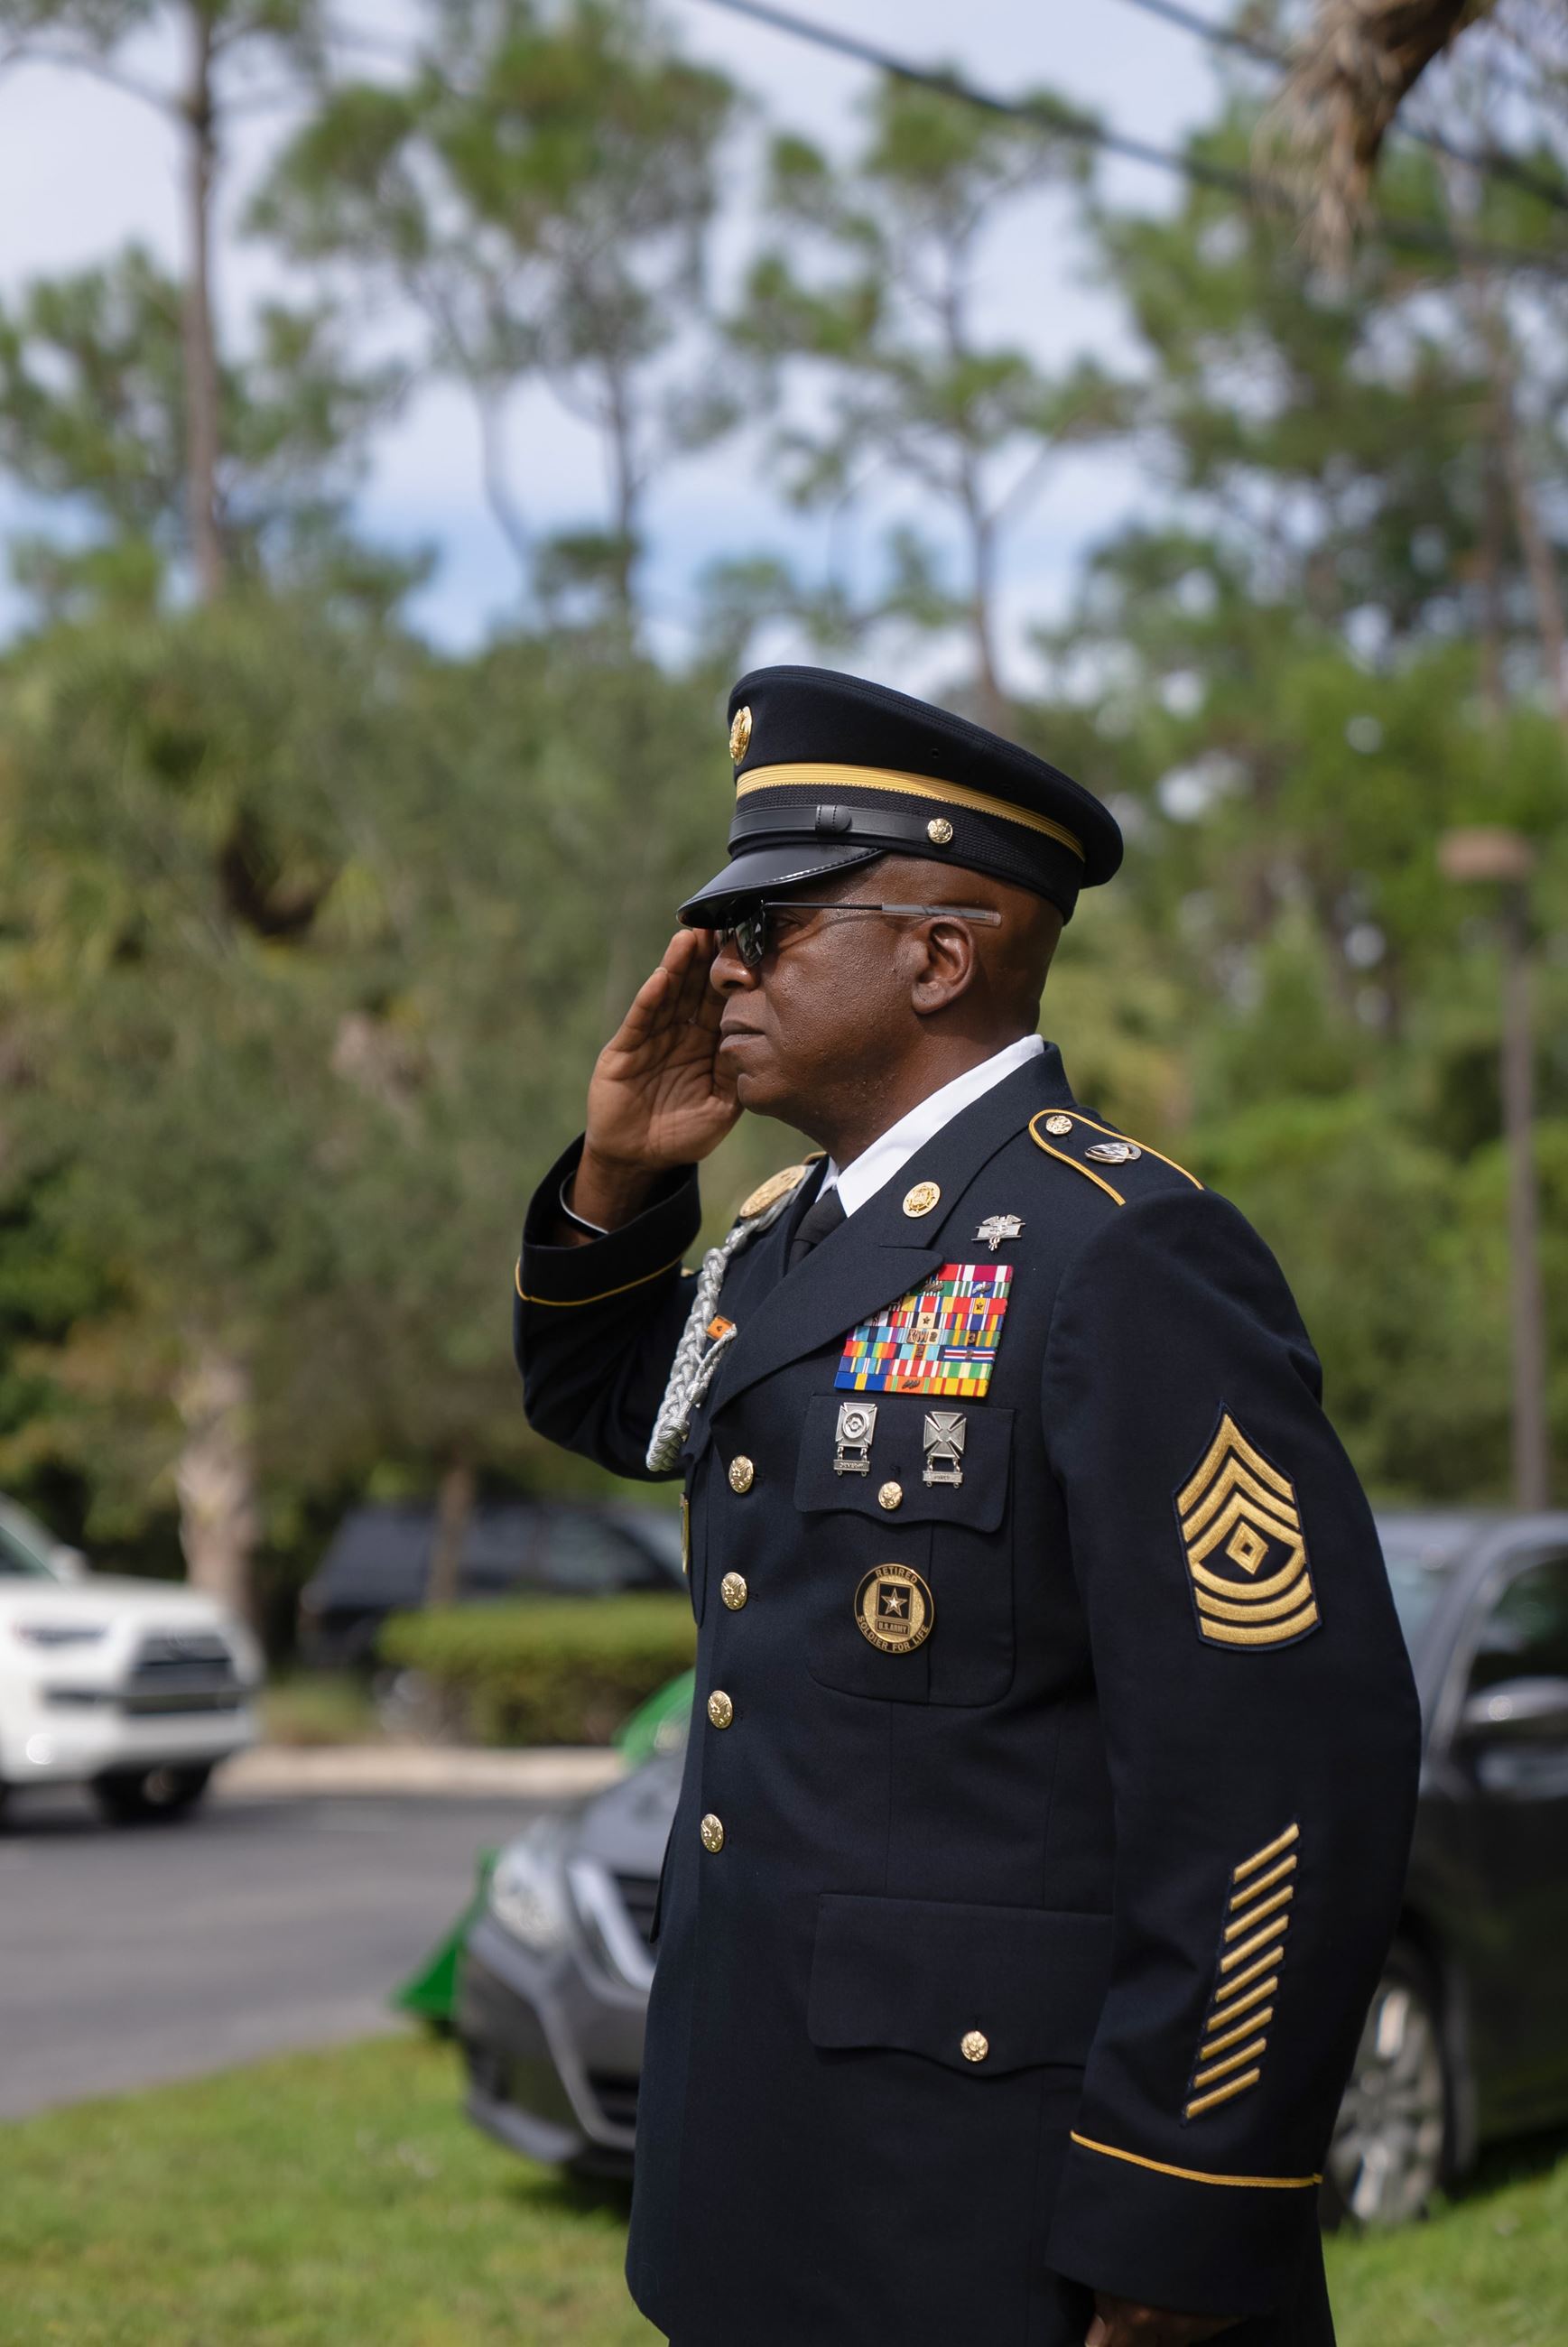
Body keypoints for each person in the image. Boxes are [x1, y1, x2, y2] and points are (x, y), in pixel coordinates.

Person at [513, 665, 1422, 2347]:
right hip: (766, 2170)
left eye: (764, 928)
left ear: (939, 957)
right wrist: (623, 1175)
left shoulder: (1122, 1249)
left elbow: (1283, 1770)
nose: (715, 967)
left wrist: (1182, 2208)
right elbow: (613, 1404)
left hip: (997, 2207)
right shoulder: (789, 1233)